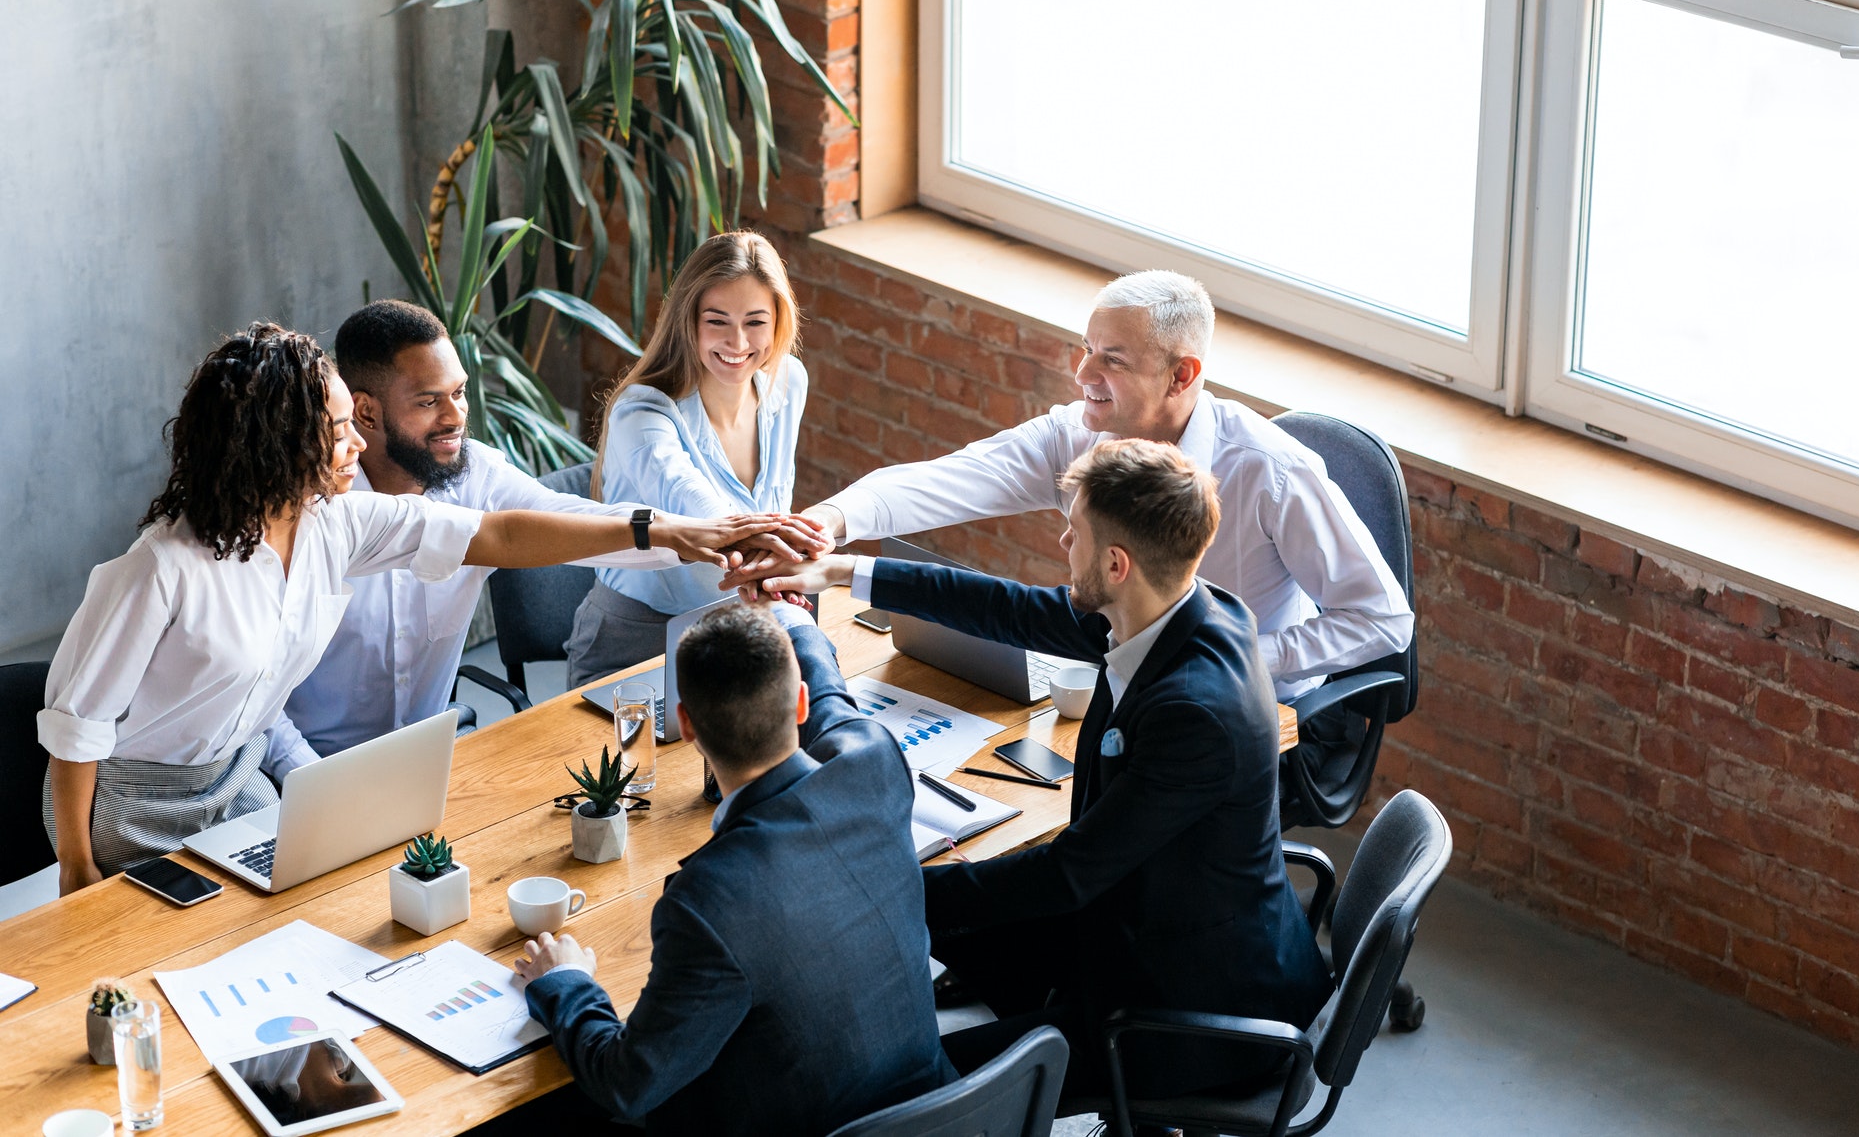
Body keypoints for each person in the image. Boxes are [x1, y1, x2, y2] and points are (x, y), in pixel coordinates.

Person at [41, 324, 805, 894]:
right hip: (132, 802)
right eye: (338, 428)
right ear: (278, 440)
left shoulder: (337, 525)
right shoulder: (158, 567)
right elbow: (78, 725)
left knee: (273, 918)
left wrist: (668, 530)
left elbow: (497, 533)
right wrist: (76, 866)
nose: (352, 444)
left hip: (239, 780)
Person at [742, 439, 1332, 1102]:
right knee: (946, 910)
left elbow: (1067, 874)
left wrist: (880, 894)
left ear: (1116, 563)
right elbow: (1012, 609)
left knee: (896, 1089)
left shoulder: (1197, 715)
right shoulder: (1186, 608)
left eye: (1072, 532)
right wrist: (839, 571)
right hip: (1140, 917)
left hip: (1189, 1009)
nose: (1061, 542)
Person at [800, 270, 1412, 701]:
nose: (1082, 374)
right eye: (1086, 349)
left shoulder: (1271, 472)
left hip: (1243, 708)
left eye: (1112, 360)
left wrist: (1242, 654)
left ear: (1182, 375)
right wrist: (825, 522)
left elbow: (1383, 620)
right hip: (1122, 681)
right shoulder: (1076, 433)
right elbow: (948, 479)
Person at [283, 301, 824, 757]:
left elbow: (573, 521)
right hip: (309, 763)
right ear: (366, 413)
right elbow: (258, 693)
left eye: (459, 393)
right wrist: (307, 780)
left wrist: (686, 534)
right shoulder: (307, 513)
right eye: (428, 402)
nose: (455, 417)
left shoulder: (477, 473)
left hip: (431, 756)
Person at [511, 603, 955, 1135]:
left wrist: (565, 981)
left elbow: (630, 1084)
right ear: (800, 704)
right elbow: (836, 701)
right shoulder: (874, 759)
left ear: (686, 726)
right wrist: (796, 623)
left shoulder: (705, 903)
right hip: (943, 1110)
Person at [565, 230, 813, 688]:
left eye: (755, 322)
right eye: (717, 321)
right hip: (637, 636)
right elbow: (689, 498)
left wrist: (775, 571)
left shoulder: (787, 382)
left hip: (737, 622)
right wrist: (774, 561)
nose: (738, 342)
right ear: (688, 320)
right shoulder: (641, 411)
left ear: (778, 322)